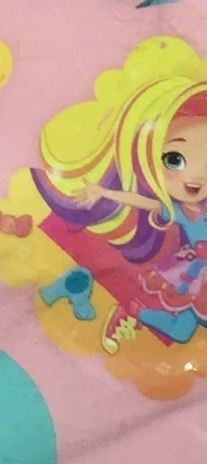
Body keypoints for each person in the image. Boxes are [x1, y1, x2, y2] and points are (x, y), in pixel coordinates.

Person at [35, 79, 207, 352]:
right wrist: (105, 192)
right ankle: (131, 311)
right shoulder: (182, 212)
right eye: (173, 159)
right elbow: (144, 202)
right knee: (184, 329)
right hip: (194, 278)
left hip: (196, 280)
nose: (196, 177)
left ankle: (133, 311)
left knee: (183, 330)